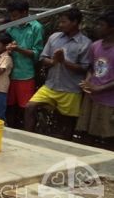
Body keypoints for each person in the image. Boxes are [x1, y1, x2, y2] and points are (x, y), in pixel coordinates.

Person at [24, 8, 91, 138]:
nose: (60, 25)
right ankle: (28, 139)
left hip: (70, 89)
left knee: (67, 122)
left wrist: (63, 62)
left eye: (63, 22)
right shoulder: (54, 37)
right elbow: (43, 58)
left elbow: (84, 68)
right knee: (30, 107)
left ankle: (64, 147)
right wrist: (54, 61)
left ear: (75, 22)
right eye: (60, 22)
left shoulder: (85, 43)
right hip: (50, 86)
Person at [5, 0, 44, 128]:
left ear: (25, 13)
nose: (13, 18)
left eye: (15, 15)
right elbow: (5, 45)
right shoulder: (10, 28)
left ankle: (27, 136)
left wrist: (18, 49)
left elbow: (37, 53)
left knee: (26, 108)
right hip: (9, 73)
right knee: (9, 106)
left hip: (26, 74)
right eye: (11, 15)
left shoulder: (36, 27)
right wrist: (9, 49)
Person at [76, 11, 114, 140]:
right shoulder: (95, 45)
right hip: (92, 97)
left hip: (109, 100)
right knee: (87, 133)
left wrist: (100, 88)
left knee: (108, 135)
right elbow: (92, 68)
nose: (97, 27)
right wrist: (87, 82)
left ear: (111, 28)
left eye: (101, 25)